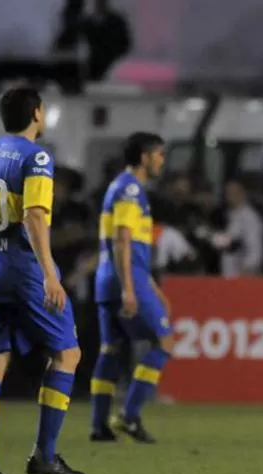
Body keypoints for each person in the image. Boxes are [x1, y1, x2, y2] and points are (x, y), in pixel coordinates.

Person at [0, 86, 85, 474]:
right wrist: (51, 273)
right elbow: (35, 216)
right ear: (37, 113)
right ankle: (44, 456)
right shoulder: (36, 157)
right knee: (68, 354)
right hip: (22, 270)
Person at [90, 132, 173, 444]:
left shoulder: (120, 187)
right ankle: (129, 415)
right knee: (164, 342)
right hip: (126, 279)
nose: (162, 161)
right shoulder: (130, 189)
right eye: (159, 154)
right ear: (144, 156)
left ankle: (99, 425)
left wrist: (151, 285)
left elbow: (131, 245)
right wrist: (130, 288)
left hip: (107, 279)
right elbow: (123, 239)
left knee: (110, 348)